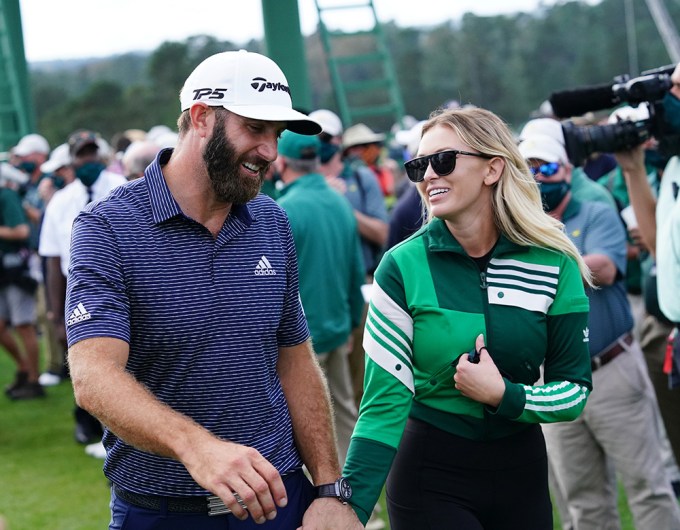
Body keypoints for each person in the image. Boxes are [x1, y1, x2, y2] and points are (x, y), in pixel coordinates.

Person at [65, 49, 361, 529]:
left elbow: (295, 360)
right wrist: (196, 446)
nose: (270, 151)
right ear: (202, 118)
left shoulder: (271, 221)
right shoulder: (108, 227)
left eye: (277, 135)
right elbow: (93, 375)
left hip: (280, 499)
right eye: (255, 129)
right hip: (162, 510)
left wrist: (329, 487)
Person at [343, 107, 593, 529]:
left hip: (521, 468)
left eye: (443, 160)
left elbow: (574, 391)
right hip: (429, 471)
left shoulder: (555, 263)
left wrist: (505, 395)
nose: (428, 177)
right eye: (418, 166)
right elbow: (383, 404)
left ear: (493, 168)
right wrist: (347, 509)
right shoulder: (400, 267)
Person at [518, 132, 680, 529]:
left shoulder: (593, 210)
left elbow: (604, 267)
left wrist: (537, 264)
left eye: (547, 167)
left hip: (611, 370)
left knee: (648, 488)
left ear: (567, 170)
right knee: (583, 502)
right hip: (551, 382)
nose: (538, 178)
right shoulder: (516, 227)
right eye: (528, 170)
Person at [275, 130, 365, 468]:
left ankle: (328, 507)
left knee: (308, 427)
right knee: (344, 416)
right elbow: (355, 271)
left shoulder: (282, 211)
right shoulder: (339, 201)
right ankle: (361, 512)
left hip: (300, 345)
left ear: (281, 162)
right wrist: (352, 323)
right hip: (338, 329)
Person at [39, 130, 127, 446]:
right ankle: (87, 425)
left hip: (122, 289)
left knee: (123, 363)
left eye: (92, 154)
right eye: (81, 155)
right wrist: (55, 312)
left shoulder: (124, 189)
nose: (87, 160)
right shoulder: (61, 201)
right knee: (83, 364)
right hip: (80, 293)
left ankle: (123, 430)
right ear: (72, 160)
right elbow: (51, 260)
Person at [0, 162, 44, 400]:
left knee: (23, 325)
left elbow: (21, 231)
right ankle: (24, 368)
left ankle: (34, 380)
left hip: (17, 270)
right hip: (4, 272)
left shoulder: (6, 196)